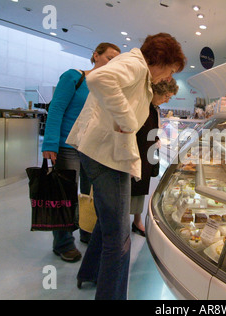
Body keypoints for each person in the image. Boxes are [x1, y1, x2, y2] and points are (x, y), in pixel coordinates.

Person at [66, 33, 186, 300]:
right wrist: (128, 120)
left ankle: (90, 273)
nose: (168, 77)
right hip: (106, 158)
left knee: (108, 226)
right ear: (161, 60)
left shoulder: (140, 72)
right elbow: (98, 78)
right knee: (119, 239)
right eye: (170, 70)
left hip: (104, 155)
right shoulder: (135, 64)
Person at [42, 43, 121, 262]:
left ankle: (86, 231)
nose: (113, 63)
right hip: (67, 146)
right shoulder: (74, 77)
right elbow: (56, 108)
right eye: (109, 57)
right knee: (65, 195)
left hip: (92, 149)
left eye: (117, 60)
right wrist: (49, 143)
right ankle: (63, 243)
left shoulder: (107, 86)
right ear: (96, 55)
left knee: (89, 194)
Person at [131, 79, 179, 236]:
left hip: (146, 153)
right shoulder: (140, 105)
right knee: (129, 190)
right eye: (166, 96)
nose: (167, 100)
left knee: (140, 189)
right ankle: (126, 224)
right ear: (156, 91)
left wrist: (156, 140)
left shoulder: (153, 108)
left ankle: (136, 221)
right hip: (134, 154)